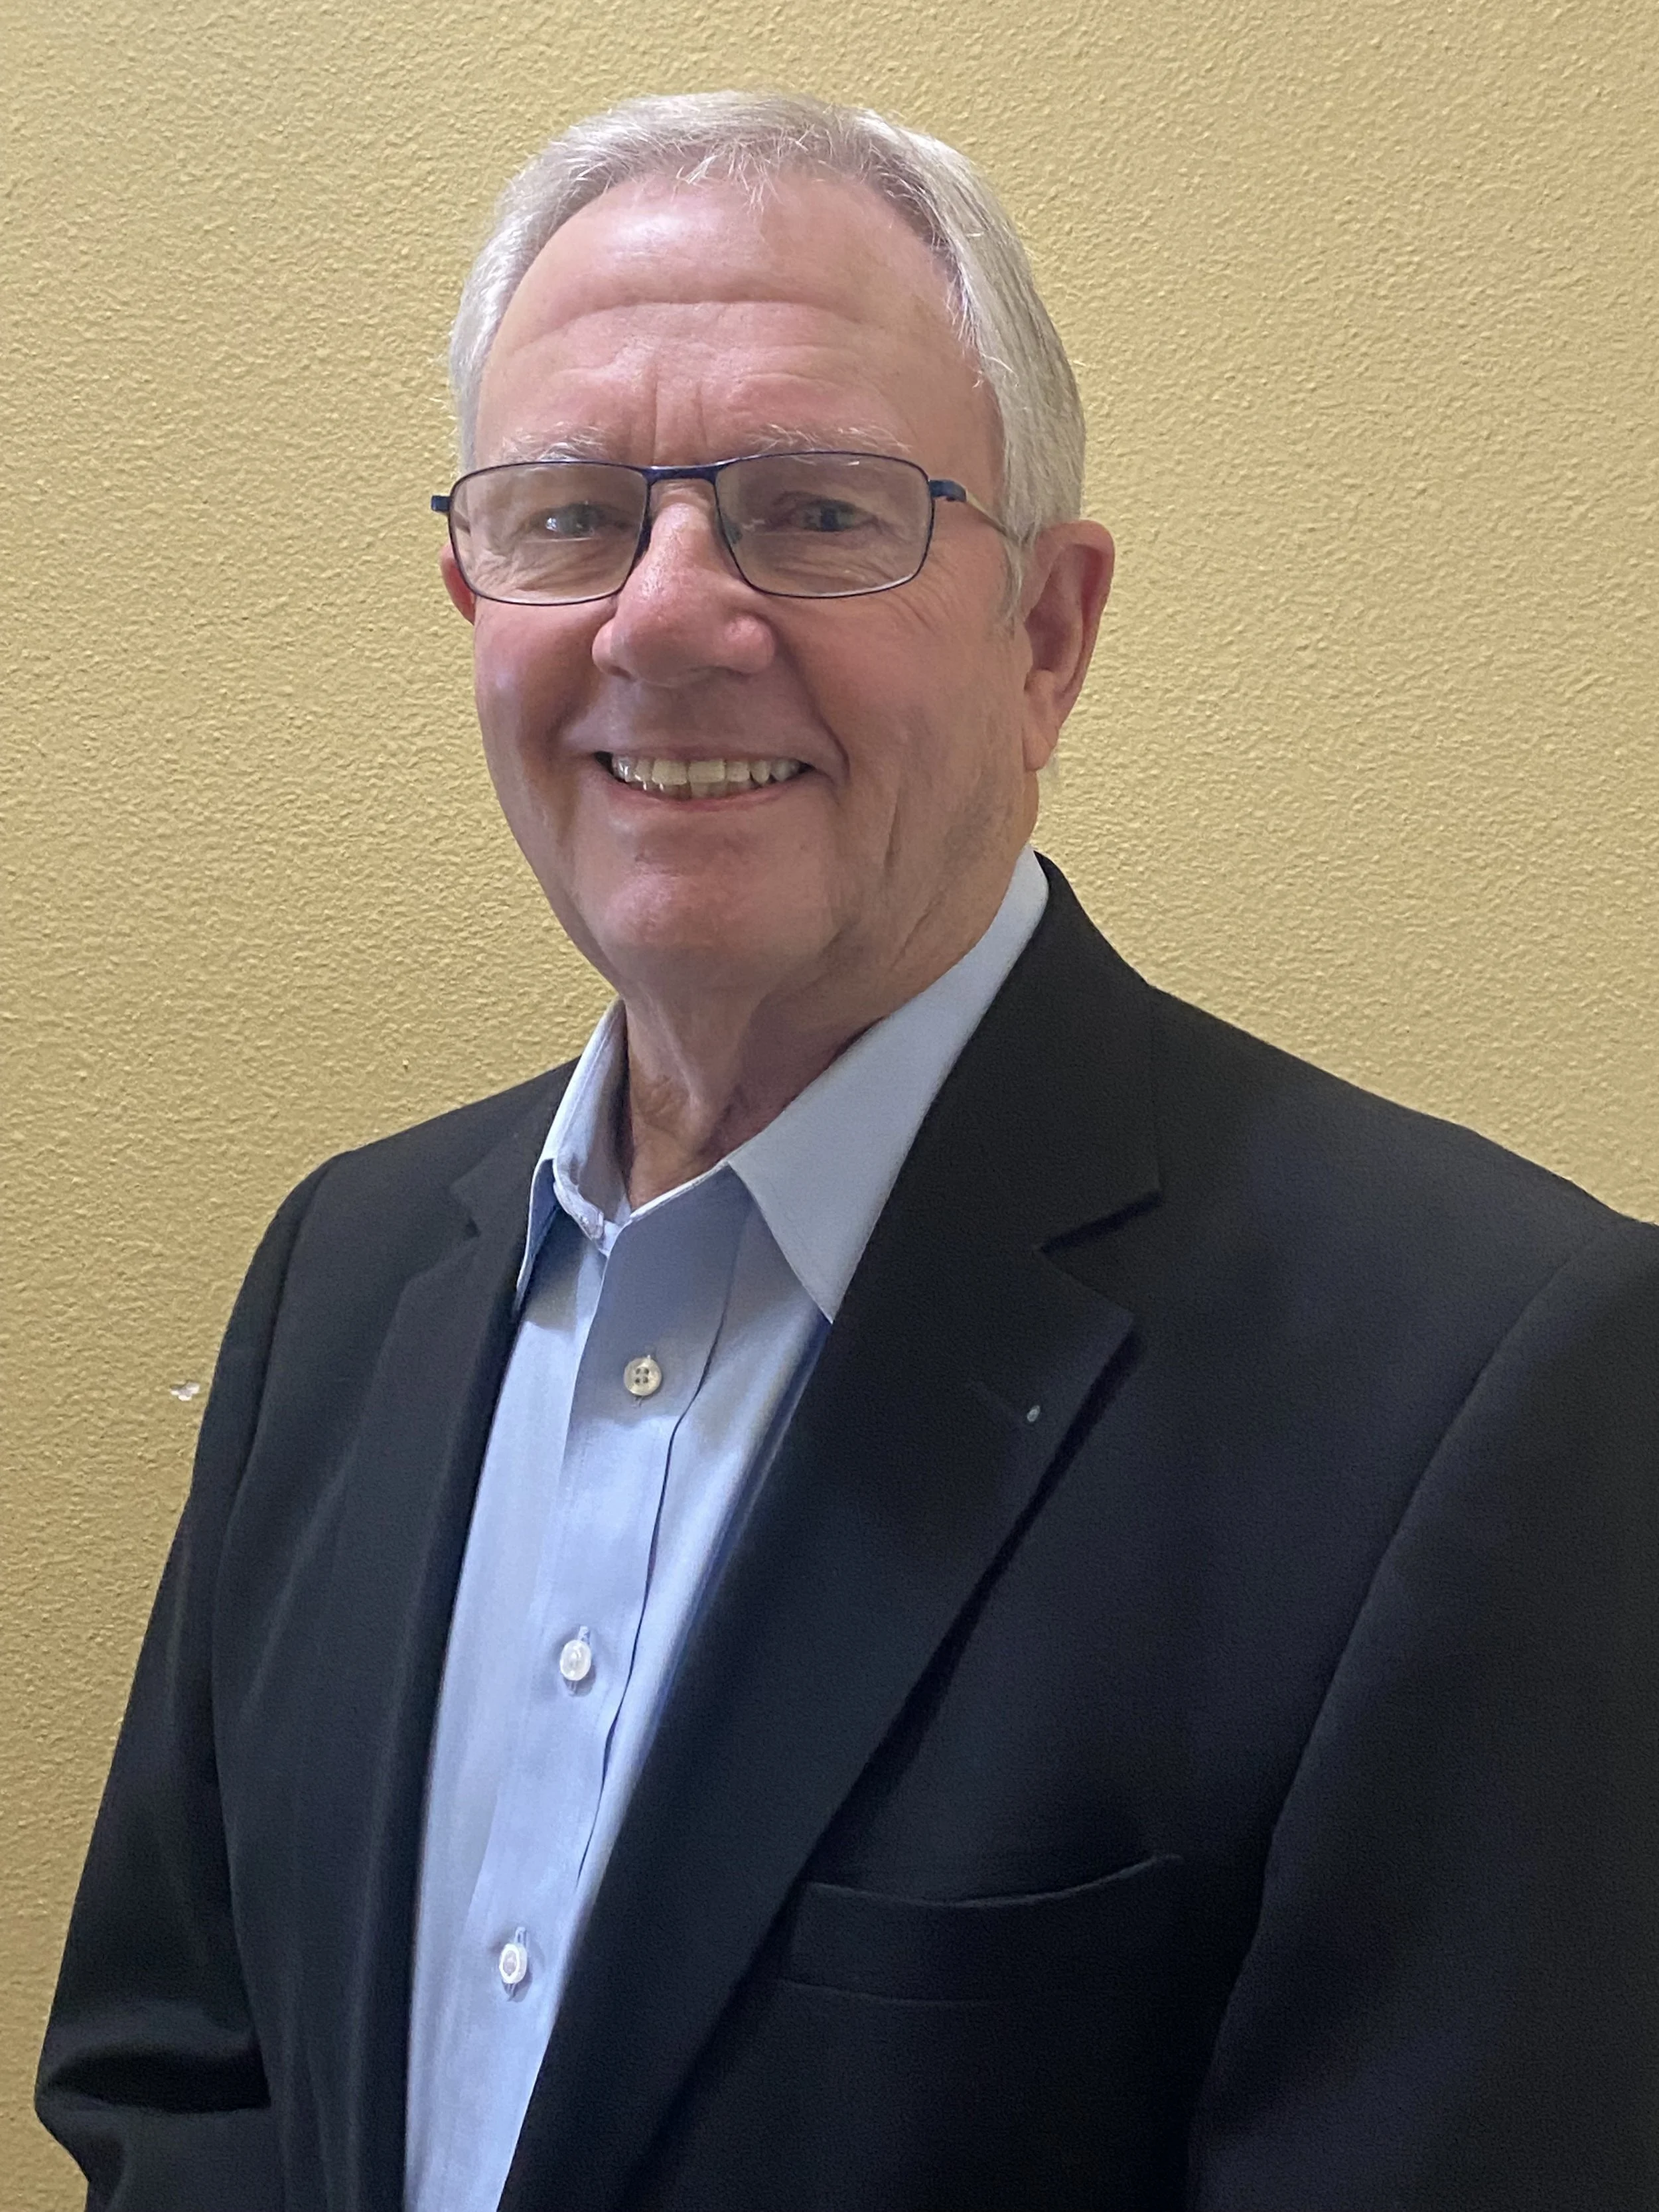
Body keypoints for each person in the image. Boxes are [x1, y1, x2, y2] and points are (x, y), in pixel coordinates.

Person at [36, 90, 1659, 2212]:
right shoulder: (343, 1275)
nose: (666, 616)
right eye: (568, 516)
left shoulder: (1487, 1385)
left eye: (817, 513)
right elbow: (180, 2071)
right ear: (472, 596)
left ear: (1047, 635)